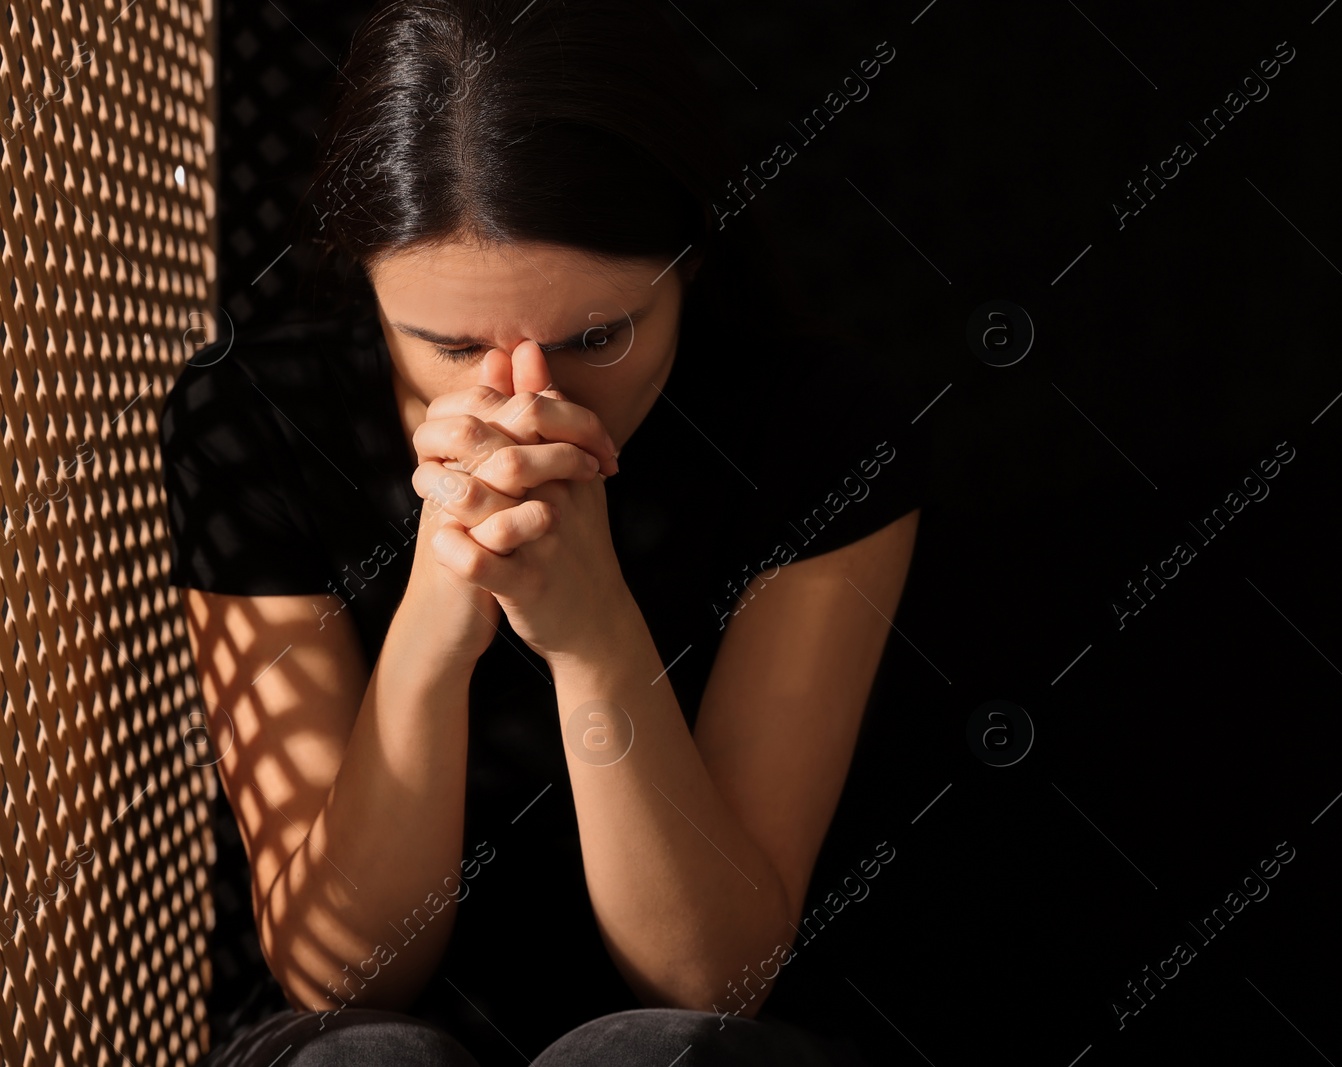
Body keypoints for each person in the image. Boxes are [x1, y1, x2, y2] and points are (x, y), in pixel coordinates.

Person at [158, 0, 928, 1063]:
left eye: (596, 336)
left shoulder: (818, 428)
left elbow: (710, 978)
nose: (522, 401)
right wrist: (439, 610)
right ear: (369, 290)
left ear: (689, 268)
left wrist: (593, 633)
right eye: (446, 345)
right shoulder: (257, 423)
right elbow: (341, 973)